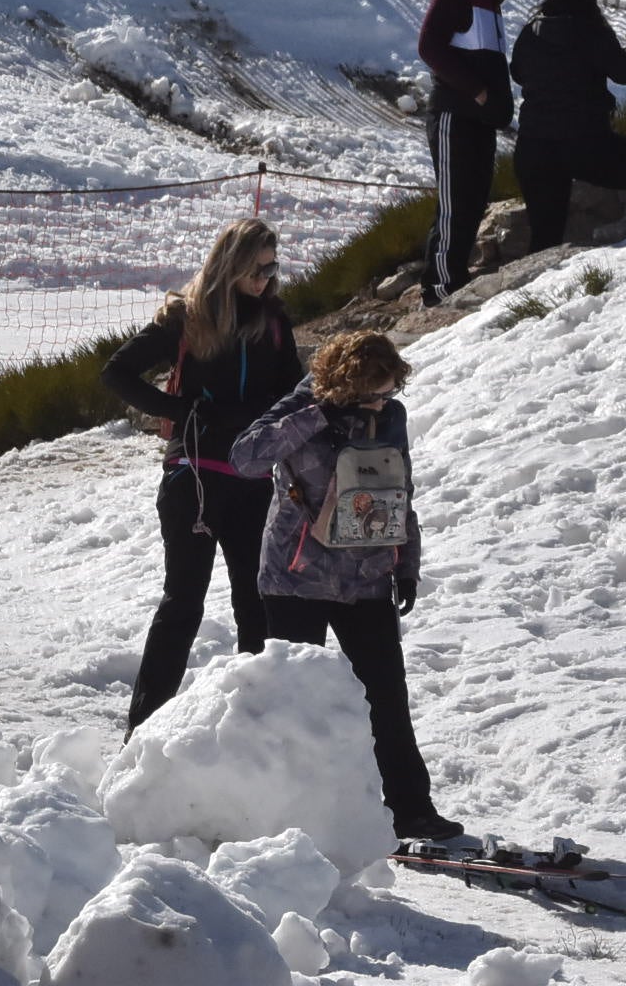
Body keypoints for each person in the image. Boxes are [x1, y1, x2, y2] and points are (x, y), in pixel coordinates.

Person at [231, 331, 463, 847]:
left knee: (386, 696)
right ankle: (283, 813)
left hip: (368, 577)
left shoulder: (392, 416)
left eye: (387, 392)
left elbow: (399, 490)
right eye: (370, 394)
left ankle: (410, 810)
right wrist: (317, 416)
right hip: (296, 578)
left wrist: (406, 565)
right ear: (342, 384)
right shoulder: (305, 404)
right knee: (294, 701)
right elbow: (245, 456)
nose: (381, 403)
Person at [102, 218, 306, 730]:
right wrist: (176, 407)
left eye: (272, 267)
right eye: (257, 268)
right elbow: (117, 372)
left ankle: (254, 729)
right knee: (182, 604)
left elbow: (295, 393)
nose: (266, 278)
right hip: (190, 479)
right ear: (231, 264)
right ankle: (141, 733)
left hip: (253, 482)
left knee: (256, 604)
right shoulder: (185, 316)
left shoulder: (274, 320)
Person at [511, 0, 626, 244]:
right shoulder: (591, 32)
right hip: (584, 144)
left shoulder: (531, 31)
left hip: (533, 146)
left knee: (545, 236)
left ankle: (532, 284)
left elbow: (517, 72)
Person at [417, 0, 519, 303]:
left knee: (473, 200)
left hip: (480, 119)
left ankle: (453, 280)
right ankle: (440, 289)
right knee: (454, 205)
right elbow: (430, 47)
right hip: (454, 114)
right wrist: (477, 93)